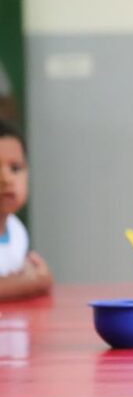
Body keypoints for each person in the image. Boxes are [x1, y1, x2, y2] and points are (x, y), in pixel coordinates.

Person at [0, 120, 52, 301]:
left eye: (15, 168)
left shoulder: (17, 231)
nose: (6, 179)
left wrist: (33, 274)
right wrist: (31, 283)